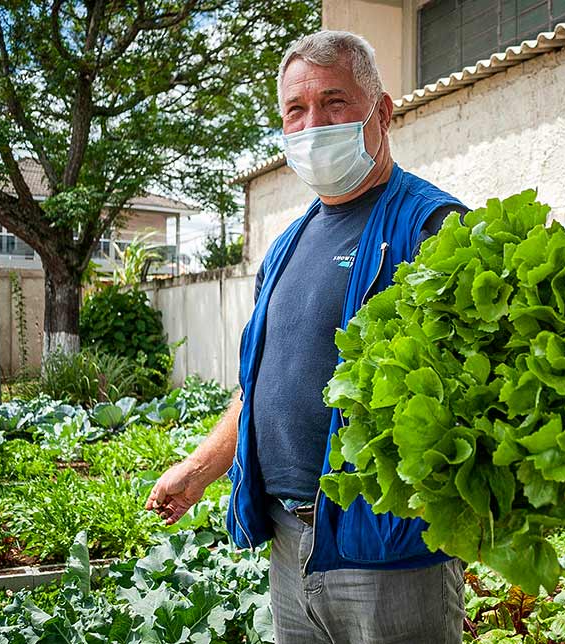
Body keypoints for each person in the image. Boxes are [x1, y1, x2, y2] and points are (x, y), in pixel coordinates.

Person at [146, 30, 469, 644]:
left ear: (383, 111)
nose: (313, 123)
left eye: (335, 102)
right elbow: (257, 386)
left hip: (387, 549)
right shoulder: (287, 245)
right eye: (296, 110)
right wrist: (198, 470)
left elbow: (481, 391)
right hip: (290, 545)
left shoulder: (433, 226)